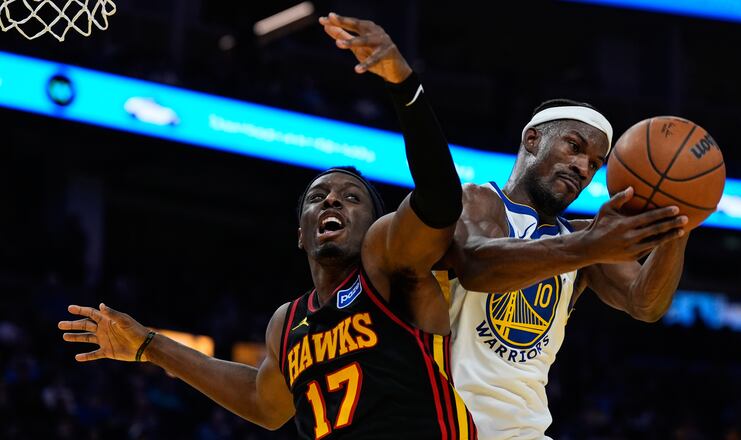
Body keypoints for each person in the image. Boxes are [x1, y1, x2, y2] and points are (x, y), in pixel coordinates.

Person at [58, 13, 477, 440]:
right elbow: (265, 403)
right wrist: (151, 345)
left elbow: (440, 200)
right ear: (301, 233)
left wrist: (403, 84)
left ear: (377, 227)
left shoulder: (391, 266)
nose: (331, 199)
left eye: (352, 198)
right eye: (318, 197)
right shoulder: (288, 321)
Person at [441, 99, 690, 439]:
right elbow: (476, 266)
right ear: (532, 140)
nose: (583, 168)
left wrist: (680, 222)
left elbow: (646, 304)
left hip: (527, 430)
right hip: (448, 423)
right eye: (574, 146)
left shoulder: (583, 239)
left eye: (595, 164)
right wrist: (588, 247)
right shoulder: (476, 201)